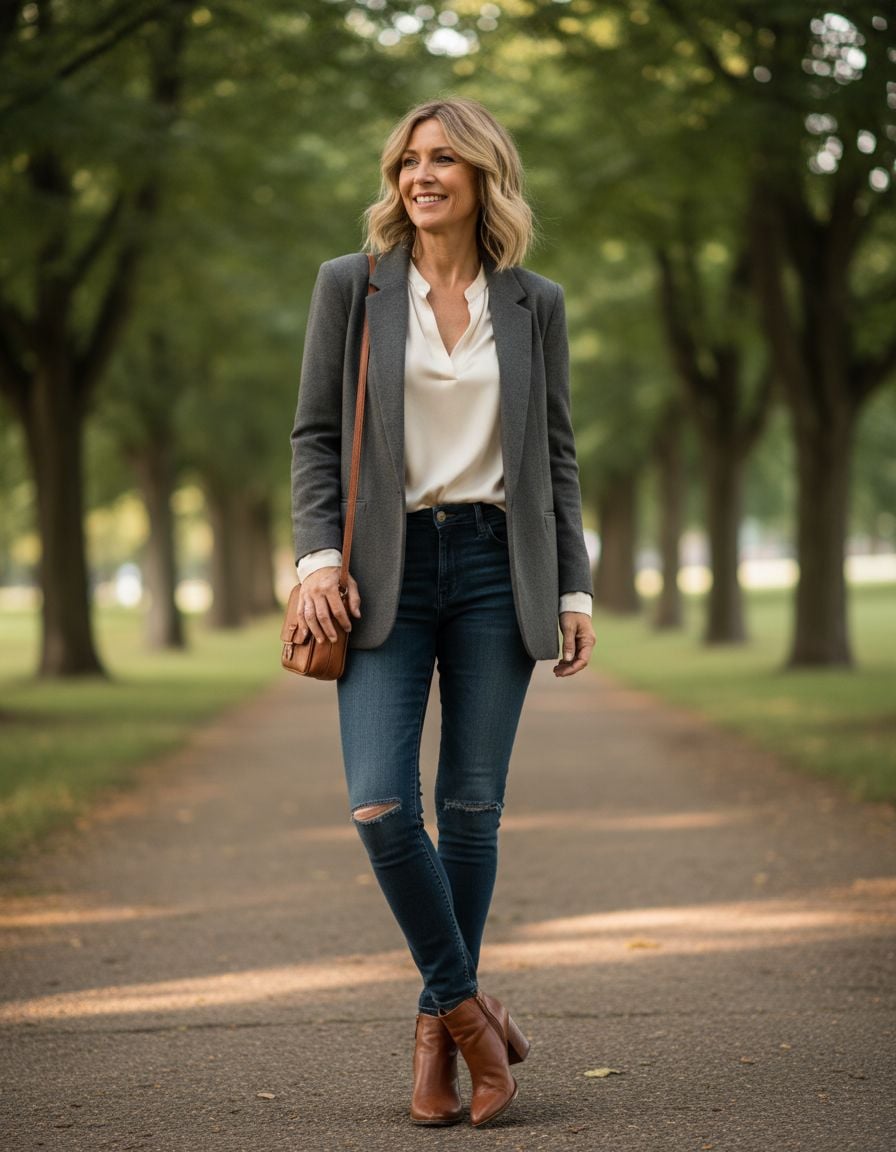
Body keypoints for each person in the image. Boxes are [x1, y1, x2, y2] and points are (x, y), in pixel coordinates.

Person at [290, 97, 595, 1128]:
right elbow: (314, 436)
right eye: (407, 161)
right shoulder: (352, 284)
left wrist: (573, 585)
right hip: (381, 570)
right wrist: (317, 558)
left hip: (494, 564)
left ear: (482, 176)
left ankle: (431, 1035)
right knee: (381, 805)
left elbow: (554, 452)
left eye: (442, 160)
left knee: (468, 810)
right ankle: (469, 1016)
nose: (420, 176)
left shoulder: (531, 302)